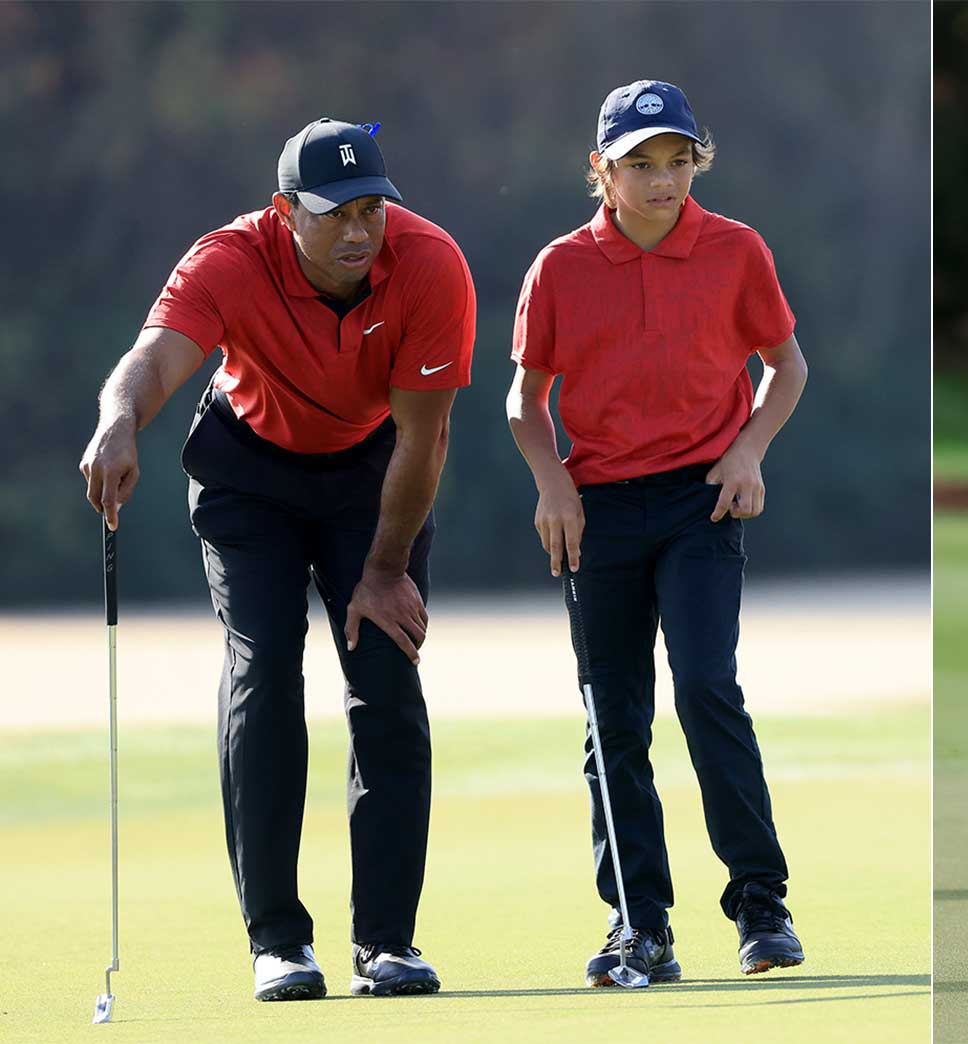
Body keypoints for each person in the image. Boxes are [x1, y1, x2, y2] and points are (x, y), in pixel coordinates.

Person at [78, 119, 474, 1001]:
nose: (359, 232)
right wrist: (117, 421)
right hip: (249, 472)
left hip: (376, 475)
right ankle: (278, 942)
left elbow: (426, 436)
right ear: (283, 211)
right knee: (264, 672)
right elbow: (153, 358)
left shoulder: (431, 265)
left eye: (372, 208)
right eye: (334, 214)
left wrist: (383, 569)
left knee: (386, 677)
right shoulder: (228, 259)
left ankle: (387, 942)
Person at [506, 79, 810, 986]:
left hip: (700, 501)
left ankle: (762, 905)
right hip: (598, 508)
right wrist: (551, 481)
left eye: (678, 162)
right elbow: (526, 402)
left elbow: (784, 364)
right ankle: (640, 925)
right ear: (601, 169)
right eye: (640, 164)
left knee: (708, 686)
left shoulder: (735, 250)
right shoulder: (560, 267)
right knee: (614, 719)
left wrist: (750, 450)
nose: (663, 181)